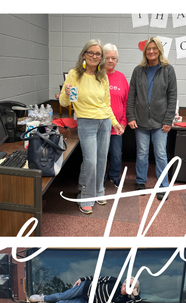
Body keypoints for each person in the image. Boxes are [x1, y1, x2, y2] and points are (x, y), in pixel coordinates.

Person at [60, 39, 120, 214]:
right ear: (84, 54)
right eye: (91, 53)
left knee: (102, 160)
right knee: (91, 162)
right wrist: (66, 91)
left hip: (104, 122)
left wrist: (115, 123)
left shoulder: (102, 76)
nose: (94, 56)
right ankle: (85, 196)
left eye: (98, 54)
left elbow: (107, 104)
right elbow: (64, 103)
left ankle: (99, 191)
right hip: (86, 122)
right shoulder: (75, 74)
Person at [126, 36, 177, 200]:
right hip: (140, 120)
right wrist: (131, 116)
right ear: (145, 51)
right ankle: (140, 181)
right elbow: (131, 96)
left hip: (160, 122)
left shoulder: (168, 70)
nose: (151, 51)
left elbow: (172, 96)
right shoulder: (138, 70)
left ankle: (164, 185)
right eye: (149, 48)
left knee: (160, 154)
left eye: (154, 48)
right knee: (141, 153)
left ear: (159, 50)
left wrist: (168, 120)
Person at [29, 275, 143, 303]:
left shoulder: (125, 301)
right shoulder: (115, 281)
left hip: (87, 302)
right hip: (85, 288)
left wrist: (136, 294)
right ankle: (43, 298)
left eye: (130, 285)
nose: (126, 285)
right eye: (126, 283)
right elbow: (98, 278)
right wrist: (83, 279)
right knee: (62, 296)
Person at [103, 44, 129, 189]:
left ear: (117, 60)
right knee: (100, 155)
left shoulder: (121, 78)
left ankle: (113, 176)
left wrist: (123, 122)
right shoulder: (98, 76)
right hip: (100, 125)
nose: (111, 61)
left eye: (113, 58)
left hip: (117, 126)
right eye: (107, 58)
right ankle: (100, 178)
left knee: (116, 155)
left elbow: (126, 102)